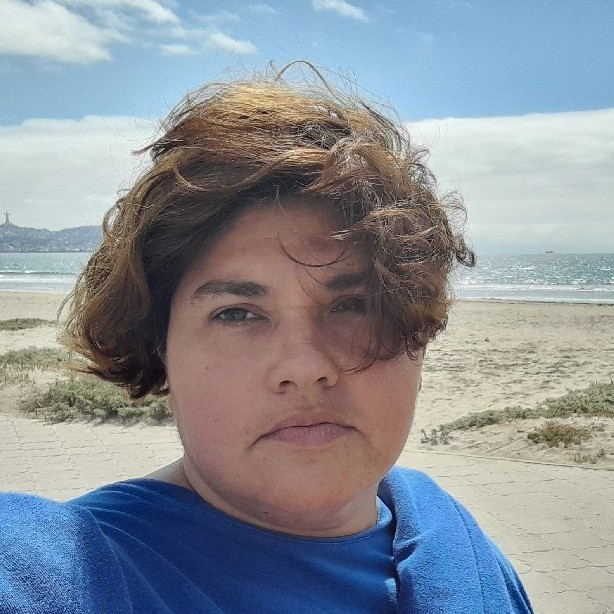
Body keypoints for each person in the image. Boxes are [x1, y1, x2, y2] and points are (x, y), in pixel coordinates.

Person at [0, 64, 533, 613]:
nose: (304, 366)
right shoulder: (71, 569)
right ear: (160, 347)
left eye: (353, 305)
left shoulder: (456, 542)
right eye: (237, 314)